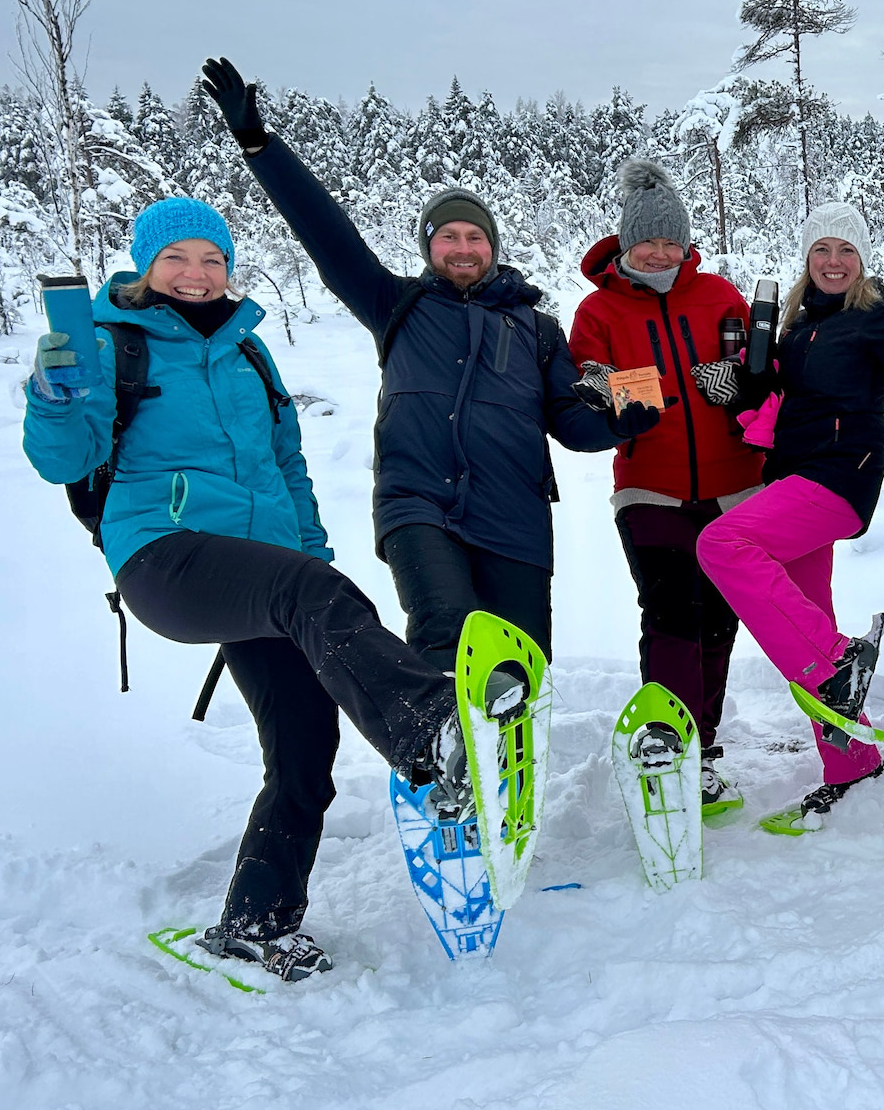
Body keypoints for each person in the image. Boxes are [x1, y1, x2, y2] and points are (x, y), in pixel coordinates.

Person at [22, 200, 513, 983]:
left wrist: (310, 555)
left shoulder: (250, 352)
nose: (197, 273)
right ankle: (432, 732)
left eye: (213, 259)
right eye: (178, 258)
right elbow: (64, 458)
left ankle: (255, 923)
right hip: (162, 556)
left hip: (267, 575)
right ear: (147, 266)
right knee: (313, 599)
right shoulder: (113, 346)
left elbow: (287, 465)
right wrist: (53, 399)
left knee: (304, 752)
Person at [198, 57, 655, 669]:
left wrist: (623, 421)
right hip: (418, 506)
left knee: (520, 665)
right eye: (449, 237)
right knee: (447, 634)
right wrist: (260, 145)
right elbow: (327, 233)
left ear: (492, 248)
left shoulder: (537, 330)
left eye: (475, 238)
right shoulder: (397, 306)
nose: (462, 248)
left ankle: (512, 768)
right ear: (429, 246)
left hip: (514, 518)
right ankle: (436, 759)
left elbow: (571, 424)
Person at [692, 203, 884, 826]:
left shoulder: (873, 318)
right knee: (804, 621)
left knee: (722, 546)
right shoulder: (799, 326)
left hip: (837, 477)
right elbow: (775, 399)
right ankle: (849, 759)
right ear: (807, 262)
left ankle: (838, 662)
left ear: (862, 261)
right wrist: (735, 381)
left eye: (846, 252)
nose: (833, 263)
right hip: (791, 477)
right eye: (822, 252)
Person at [570, 160, 764, 811]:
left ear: (686, 243)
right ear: (626, 243)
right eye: (648, 240)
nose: (659, 251)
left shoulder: (720, 295)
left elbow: (759, 372)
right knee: (671, 604)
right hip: (648, 485)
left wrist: (738, 384)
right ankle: (667, 738)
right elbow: (585, 382)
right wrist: (632, 393)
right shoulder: (598, 309)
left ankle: (700, 749)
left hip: (735, 484)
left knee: (718, 619)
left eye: (670, 241)